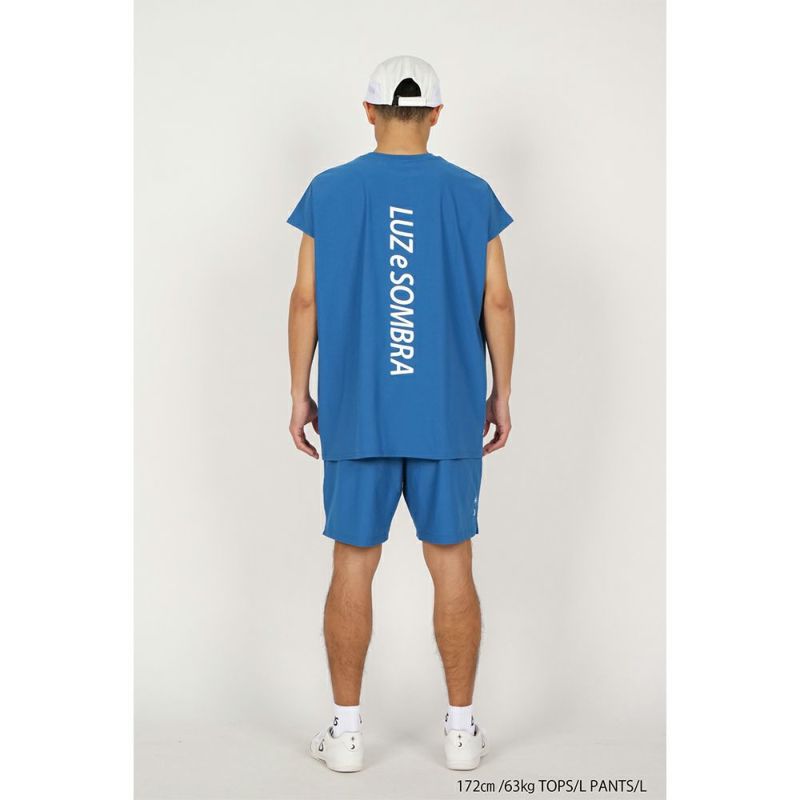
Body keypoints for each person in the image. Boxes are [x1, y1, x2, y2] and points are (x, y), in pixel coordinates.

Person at [287, 55, 515, 772]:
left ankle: (346, 734)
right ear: (437, 113)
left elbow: (305, 298)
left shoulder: (329, 190)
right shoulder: (471, 193)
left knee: (353, 562)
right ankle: (461, 732)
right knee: (452, 562)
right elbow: (498, 299)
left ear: (368, 109)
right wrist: (502, 392)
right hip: (447, 413)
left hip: (357, 412)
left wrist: (299, 392)